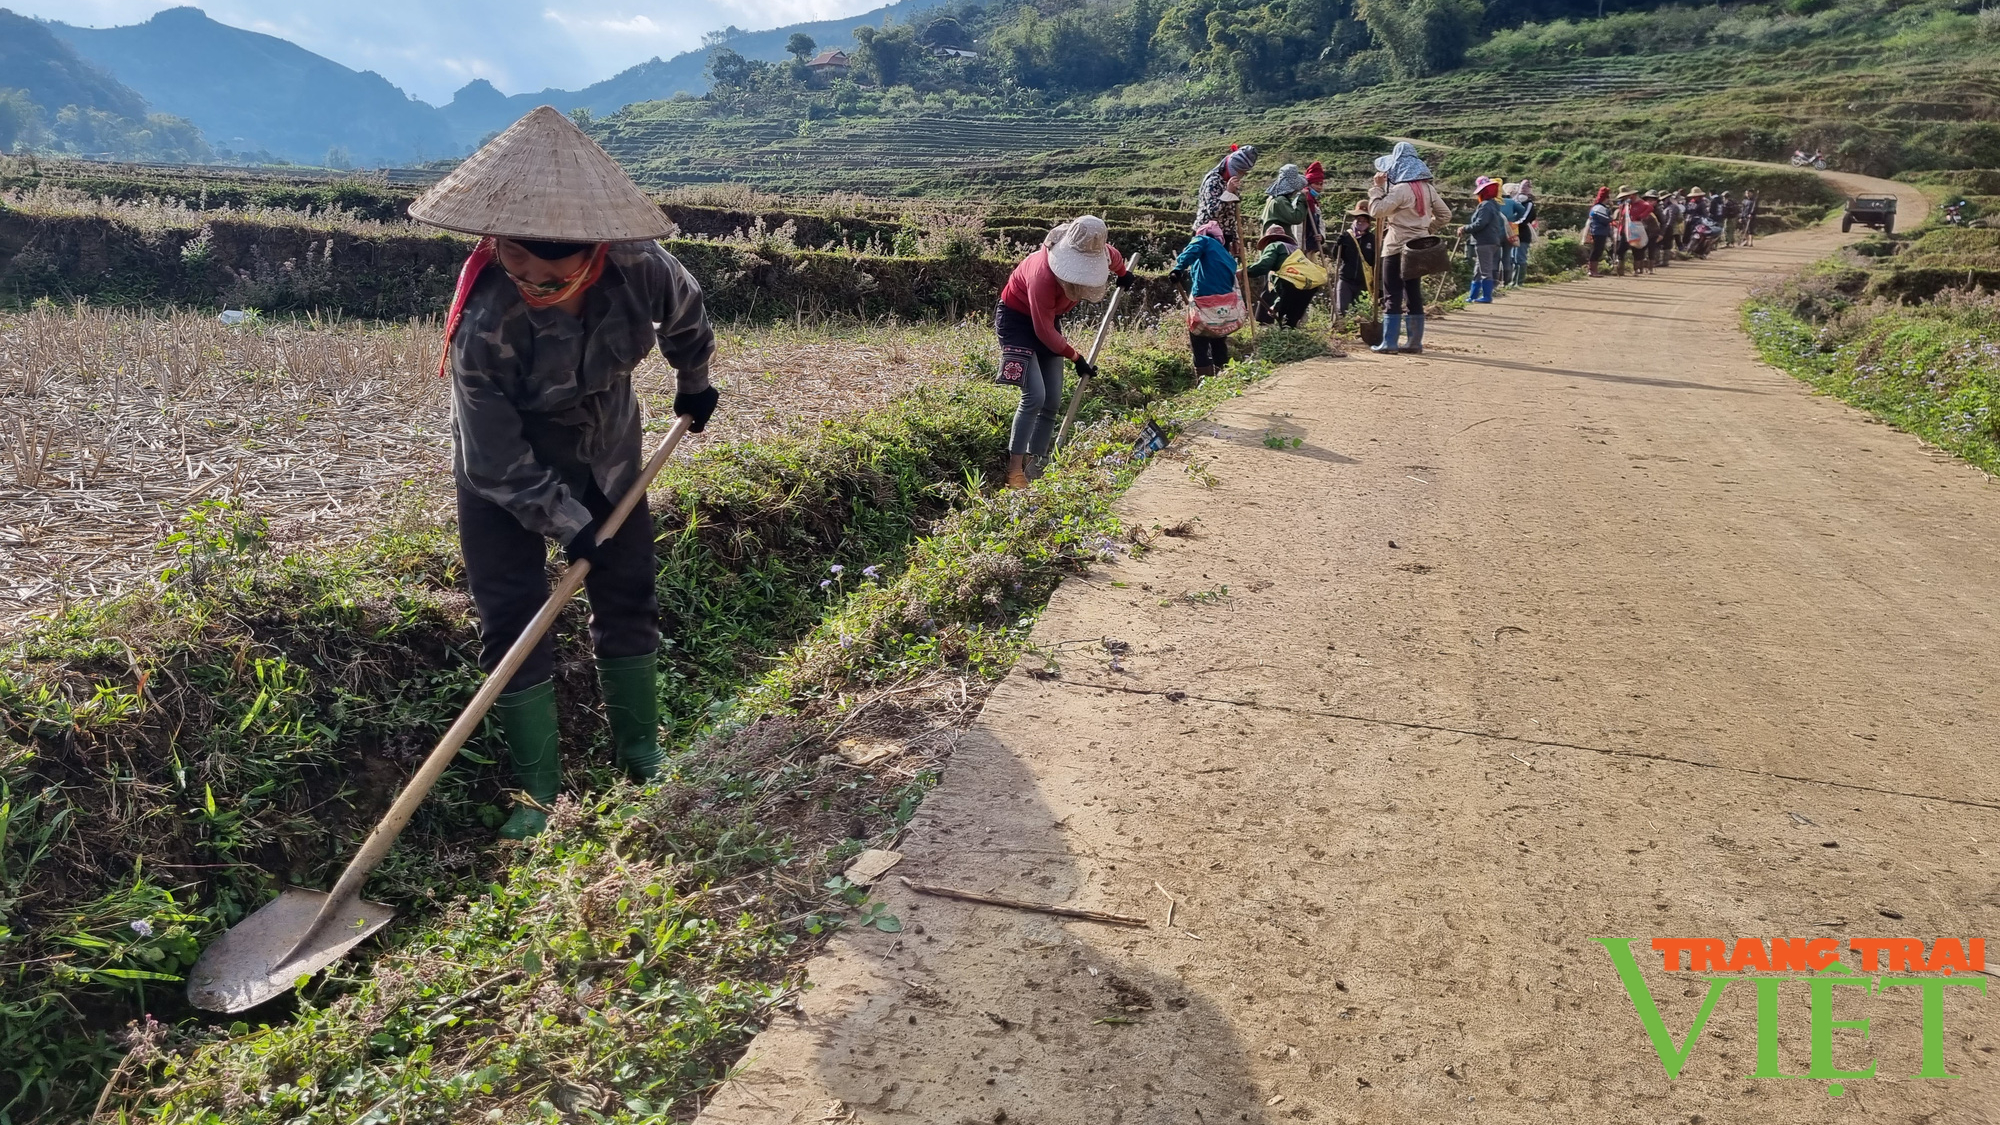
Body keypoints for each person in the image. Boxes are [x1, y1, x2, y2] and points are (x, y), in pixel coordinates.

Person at [407, 107, 721, 839]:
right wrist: (572, 526)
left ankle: (640, 750)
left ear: (594, 256)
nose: (529, 283)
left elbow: (688, 317)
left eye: (550, 275)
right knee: (513, 613)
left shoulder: (641, 267)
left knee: (627, 589)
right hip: (502, 474)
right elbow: (493, 457)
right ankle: (537, 789)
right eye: (515, 264)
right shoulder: (484, 324)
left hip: (605, 446)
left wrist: (693, 379)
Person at [995, 216, 1134, 489]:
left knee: (1053, 399)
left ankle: (1039, 461)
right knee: (1035, 395)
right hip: (1017, 321)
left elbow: (1114, 257)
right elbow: (1044, 331)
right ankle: (1014, 470)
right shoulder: (1042, 276)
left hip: (1047, 320)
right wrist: (1076, 358)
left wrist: (1123, 273)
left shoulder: (1099, 249)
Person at [1366, 140, 1450, 354]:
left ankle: (1390, 342)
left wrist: (1376, 190)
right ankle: (1414, 343)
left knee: (1392, 293)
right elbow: (1445, 215)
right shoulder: (1427, 189)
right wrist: (1427, 230)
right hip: (1418, 249)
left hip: (1395, 248)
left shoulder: (1401, 190)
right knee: (1413, 293)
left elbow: (1377, 211)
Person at [1171, 220, 1240, 379]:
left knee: (1198, 338)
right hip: (1225, 304)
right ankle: (1222, 376)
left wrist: (1177, 269)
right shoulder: (1225, 255)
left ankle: (1203, 380)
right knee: (1218, 338)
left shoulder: (1203, 240)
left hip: (1205, 300)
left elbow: (1191, 251)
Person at [1246, 224, 1318, 328]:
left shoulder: (1274, 245)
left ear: (1269, 240)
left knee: (1284, 321)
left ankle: (1275, 336)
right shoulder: (1296, 249)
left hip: (1292, 283)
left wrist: (1245, 271)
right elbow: (1283, 292)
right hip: (1309, 285)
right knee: (1289, 323)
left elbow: (1264, 265)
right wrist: (1276, 306)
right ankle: (1290, 338)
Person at [1195, 145, 1259, 252]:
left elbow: (1231, 214)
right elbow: (1213, 213)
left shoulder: (1231, 183)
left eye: (1243, 173)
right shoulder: (1213, 181)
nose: (1240, 176)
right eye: (1239, 172)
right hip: (1208, 236)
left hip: (1225, 235)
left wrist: (1234, 238)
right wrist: (1228, 192)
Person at [1329, 203, 1376, 316]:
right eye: (1358, 219)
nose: (1361, 222)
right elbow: (1336, 256)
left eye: (1364, 220)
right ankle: (1341, 329)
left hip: (1363, 281)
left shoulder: (1372, 239)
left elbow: (1375, 261)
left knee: (1361, 312)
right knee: (1342, 310)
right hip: (1346, 279)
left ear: (1368, 223)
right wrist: (1338, 244)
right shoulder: (1346, 236)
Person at [1464, 177, 1506, 302]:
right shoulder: (1493, 204)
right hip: (1491, 241)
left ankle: (1487, 296)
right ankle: (1473, 296)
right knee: (1478, 270)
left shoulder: (1485, 205)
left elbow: (1480, 223)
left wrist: (1465, 228)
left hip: (1484, 242)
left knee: (1485, 270)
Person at [1499, 181, 1532, 288]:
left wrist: (1513, 222)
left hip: (1519, 234)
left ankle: (1518, 282)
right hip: (1512, 233)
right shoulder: (1513, 202)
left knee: (1518, 258)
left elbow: (1525, 218)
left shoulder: (1528, 204)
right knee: (1512, 258)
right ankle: (1511, 282)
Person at [1585, 187, 1614, 277]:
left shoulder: (1599, 207)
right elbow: (1605, 219)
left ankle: (1594, 270)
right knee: (1596, 250)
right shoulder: (1599, 208)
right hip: (1598, 231)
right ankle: (1592, 270)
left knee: (1598, 250)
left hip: (1600, 231)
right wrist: (1611, 218)